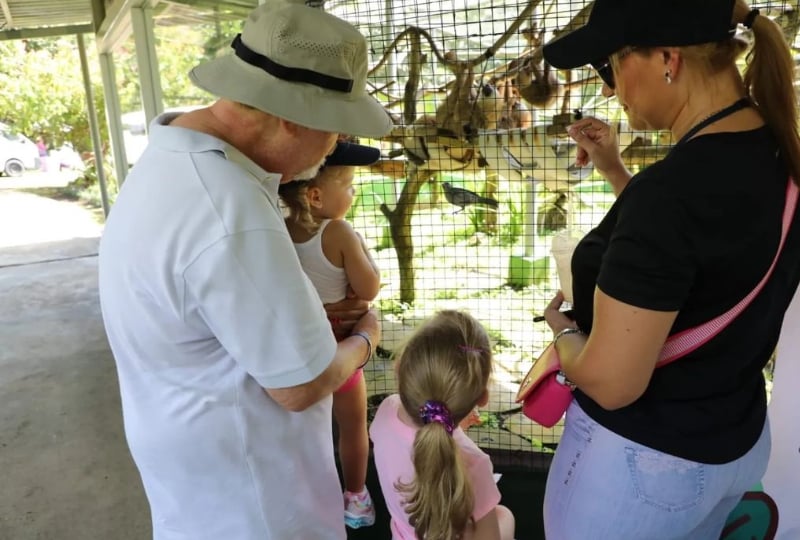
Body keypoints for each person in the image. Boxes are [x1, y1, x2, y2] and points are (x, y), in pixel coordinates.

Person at [97, 3, 393, 539]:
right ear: (292, 115)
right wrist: (369, 336)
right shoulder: (230, 209)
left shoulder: (170, 161)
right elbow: (301, 386)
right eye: (334, 128)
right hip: (256, 506)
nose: (332, 146)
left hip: (195, 487)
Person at [537, 1, 800, 538]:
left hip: (644, 468)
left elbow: (613, 382)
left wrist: (566, 335)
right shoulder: (789, 157)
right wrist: (619, 173)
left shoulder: (669, 193)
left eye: (611, 65)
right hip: (734, 446)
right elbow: (705, 253)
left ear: (668, 58)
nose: (610, 88)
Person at [278, 141, 382, 529]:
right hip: (340, 340)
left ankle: (304, 491)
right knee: (354, 424)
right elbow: (368, 288)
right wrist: (363, 252)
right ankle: (355, 497)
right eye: (350, 184)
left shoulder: (280, 229)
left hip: (300, 341)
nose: (354, 193)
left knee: (306, 423)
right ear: (316, 194)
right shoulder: (337, 231)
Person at [370, 310, 516, 540]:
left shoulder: (386, 412)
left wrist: (456, 432)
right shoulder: (475, 463)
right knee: (504, 516)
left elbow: (421, 446)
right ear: (482, 398)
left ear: (399, 368)